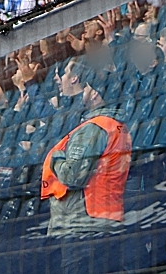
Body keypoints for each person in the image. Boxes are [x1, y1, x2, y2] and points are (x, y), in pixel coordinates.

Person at [40, 59, 132, 273]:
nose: (83, 89)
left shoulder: (94, 128)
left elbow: (73, 176)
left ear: (95, 94)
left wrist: (56, 156)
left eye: (87, 86)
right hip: (106, 219)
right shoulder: (118, 127)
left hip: (82, 226)